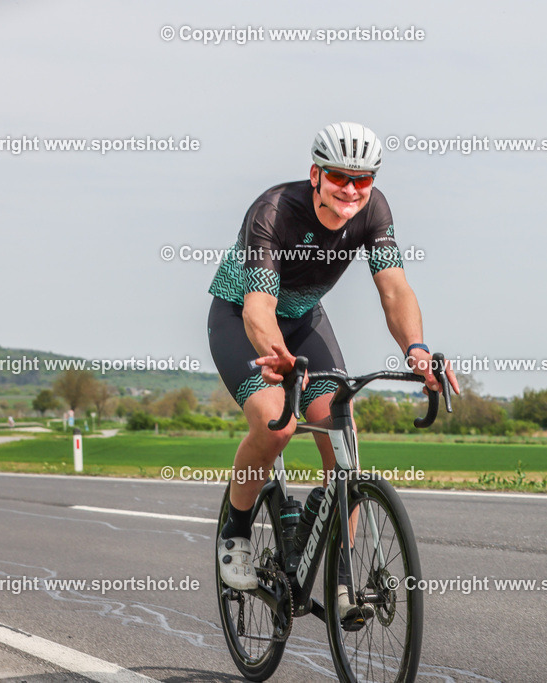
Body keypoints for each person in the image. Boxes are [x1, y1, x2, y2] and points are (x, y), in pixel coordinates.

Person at [207, 122, 459, 620]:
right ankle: (235, 532)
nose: (351, 189)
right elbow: (259, 307)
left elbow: (394, 289)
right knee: (274, 423)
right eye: (340, 177)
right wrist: (275, 354)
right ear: (315, 174)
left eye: (362, 180)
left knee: (341, 434)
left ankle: (343, 582)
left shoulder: (375, 211)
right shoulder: (274, 211)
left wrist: (418, 349)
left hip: (303, 322)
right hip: (242, 319)